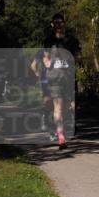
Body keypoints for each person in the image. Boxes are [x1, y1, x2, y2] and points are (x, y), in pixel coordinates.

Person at [42, 12, 82, 146]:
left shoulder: (72, 41)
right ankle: (60, 135)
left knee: (69, 107)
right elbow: (45, 57)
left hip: (68, 78)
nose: (59, 25)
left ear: (65, 24)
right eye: (56, 23)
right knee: (57, 108)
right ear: (52, 25)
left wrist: (70, 58)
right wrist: (47, 62)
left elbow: (79, 57)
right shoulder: (49, 40)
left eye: (61, 22)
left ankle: (59, 127)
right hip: (54, 78)